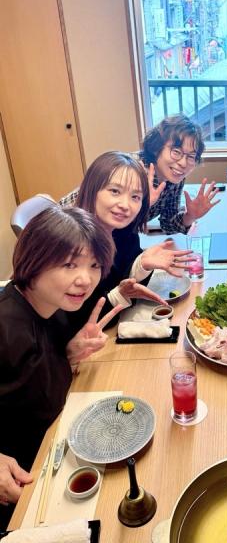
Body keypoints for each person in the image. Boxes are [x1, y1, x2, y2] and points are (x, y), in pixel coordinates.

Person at [0, 206, 119, 527]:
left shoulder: (53, 307)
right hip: (21, 486)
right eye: (69, 264)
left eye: (94, 265)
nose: (85, 279)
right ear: (33, 260)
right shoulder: (5, 326)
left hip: (56, 450)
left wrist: (67, 355)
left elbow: (32, 380)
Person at [70, 151, 192, 328]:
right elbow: (81, 321)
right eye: (115, 191)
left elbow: (124, 284)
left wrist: (141, 265)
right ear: (92, 189)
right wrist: (119, 294)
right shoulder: (74, 244)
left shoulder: (122, 229)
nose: (125, 205)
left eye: (135, 197)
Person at [60, 114, 220, 234]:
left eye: (191, 157)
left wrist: (190, 216)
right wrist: (142, 203)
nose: (183, 163)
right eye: (176, 152)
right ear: (157, 147)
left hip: (112, 237)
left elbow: (168, 223)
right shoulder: (134, 169)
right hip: (71, 230)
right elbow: (102, 216)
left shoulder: (174, 177)